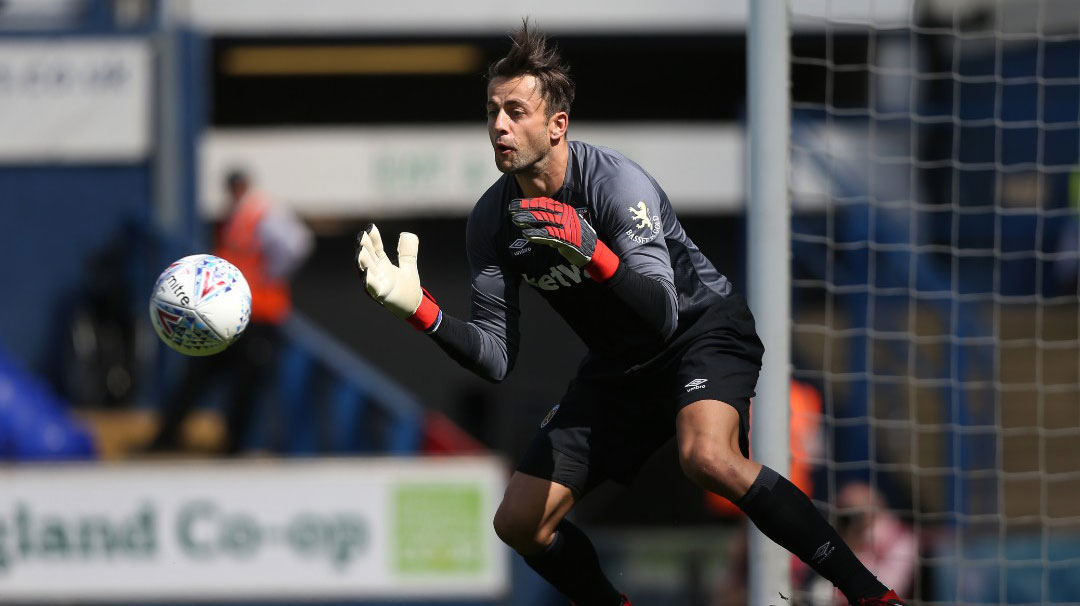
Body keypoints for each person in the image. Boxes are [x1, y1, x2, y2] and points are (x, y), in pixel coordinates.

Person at [355, 21, 904, 606]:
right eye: (492, 111)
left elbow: (663, 315)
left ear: (557, 124)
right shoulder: (489, 221)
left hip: (700, 331)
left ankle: (872, 596)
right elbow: (496, 359)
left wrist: (595, 255)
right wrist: (420, 311)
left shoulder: (616, 184)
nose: (499, 125)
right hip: (619, 365)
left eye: (515, 111)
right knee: (517, 522)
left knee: (707, 457)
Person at [147, 169, 313, 455]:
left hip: (258, 317)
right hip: (227, 315)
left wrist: (269, 274)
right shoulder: (234, 216)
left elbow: (297, 244)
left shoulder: (263, 212)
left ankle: (232, 446)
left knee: (244, 387)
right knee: (197, 376)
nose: (234, 191)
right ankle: (167, 438)